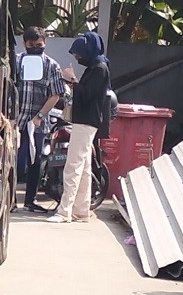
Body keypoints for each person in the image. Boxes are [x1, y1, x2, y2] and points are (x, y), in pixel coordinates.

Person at [47, 31, 110, 223]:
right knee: (83, 168)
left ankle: (64, 211)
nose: (77, 58)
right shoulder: (96, 67)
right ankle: (81, 210)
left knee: (72, 166)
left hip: (86, 122)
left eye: (78, 54)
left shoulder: (99, 68)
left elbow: (87, 94)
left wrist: (71, 79)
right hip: (86, 121)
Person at [14, 26, 65, 213]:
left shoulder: (52, 66)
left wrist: (39, 117)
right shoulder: (17, 62)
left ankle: (30, 200)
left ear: (45, 43)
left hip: (37, 123)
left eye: (39, 44)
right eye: (31, 44)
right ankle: (11, 200)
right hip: (15, 121)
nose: (35, 47)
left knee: (34, 163)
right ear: (24, 44)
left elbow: (56, 94)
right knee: (13, 162)